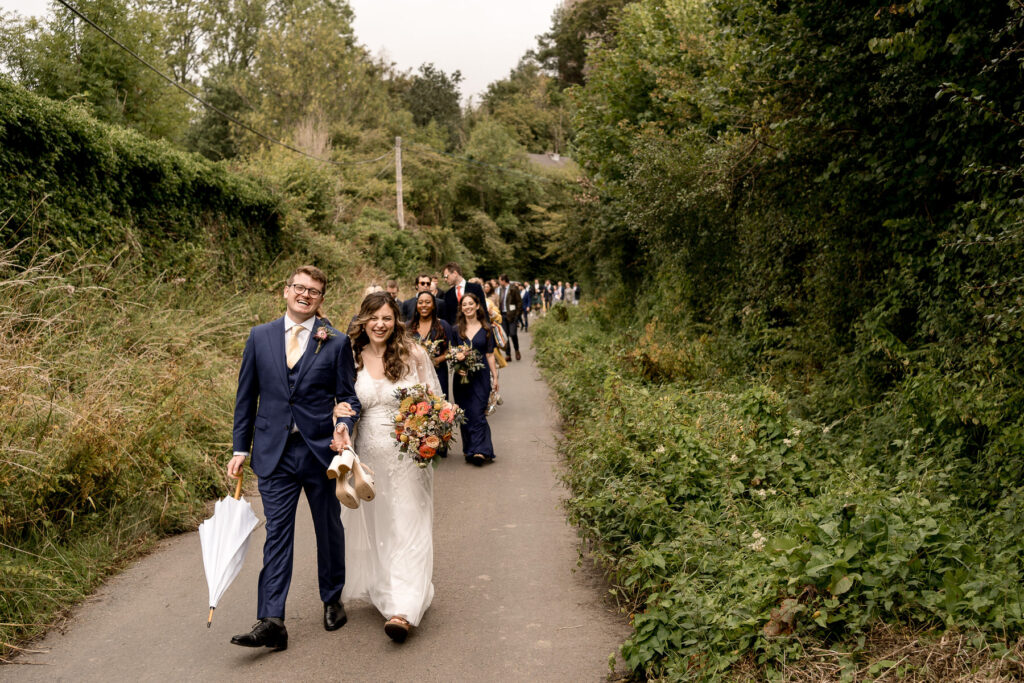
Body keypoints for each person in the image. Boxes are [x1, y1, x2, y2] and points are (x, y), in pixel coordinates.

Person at [227, 265, 360, 652]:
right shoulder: (259, 336)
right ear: (285, 292)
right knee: (277, 535)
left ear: (321, 300)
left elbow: (349, 397)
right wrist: (240, 448)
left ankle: (332, 597)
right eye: (299, 288)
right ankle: (271, 620)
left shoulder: (334, 342)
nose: (305, 295)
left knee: (328, 528)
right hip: (274, 454)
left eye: (314, 291)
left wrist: (344, 424)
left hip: (319, 451)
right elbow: (245, 397)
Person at [331, 292, 441, 643]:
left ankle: (404, 609)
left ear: (397, 321)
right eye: (373, 317)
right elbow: (342, 402)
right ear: (363, 320)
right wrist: (339, 424)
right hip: (368, 457)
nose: (380, 324)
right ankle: (387, 589)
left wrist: (430, 432)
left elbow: (435, 402)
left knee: (409, 521)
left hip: (408, 454)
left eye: (387, 318)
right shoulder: (351, 357)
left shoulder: (413, 354)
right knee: (380, 524)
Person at [451, 292, 498, 466]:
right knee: (465, 414)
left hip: (481, 376)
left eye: (471, 304)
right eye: (464, 305)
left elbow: (490, 355)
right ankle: (469, 449)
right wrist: (458, 364)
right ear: (461, 308)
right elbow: (452, 353)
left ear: (477, 306)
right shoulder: (457, 330)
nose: (468, 307)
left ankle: (481, 450)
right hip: (462, 378)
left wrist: (495, 378)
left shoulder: (487, 329)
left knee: (478, 412)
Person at [408, 290, 454, 399]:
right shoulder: (409, 327)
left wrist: (436, 360)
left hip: (439, 373)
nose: (424, 305)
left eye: (428, 302)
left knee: (439, 406)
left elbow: (451, 350)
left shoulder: (443, 326)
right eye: (420, 302)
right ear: (416, 305)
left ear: (433, 305)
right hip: (415, 374)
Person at [441, 261, 486, 327]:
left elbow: (484, 310)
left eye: (446, 276)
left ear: (455, 273)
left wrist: (486, 329)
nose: (445, 279)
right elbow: (448, 317)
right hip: (456, 333)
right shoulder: (448, 294)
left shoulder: (476, 288)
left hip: (476, 329)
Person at [497, 274, 522, 361]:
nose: (499, 282)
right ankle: (508, 355)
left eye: (500, 280)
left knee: (513, 334)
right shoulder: (500, 290)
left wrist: (517, 315)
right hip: (503, 315)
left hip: (512, 315)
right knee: (505, 336)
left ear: (504, 281)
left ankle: (517, 350)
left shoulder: (513, 288)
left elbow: (519, 302)